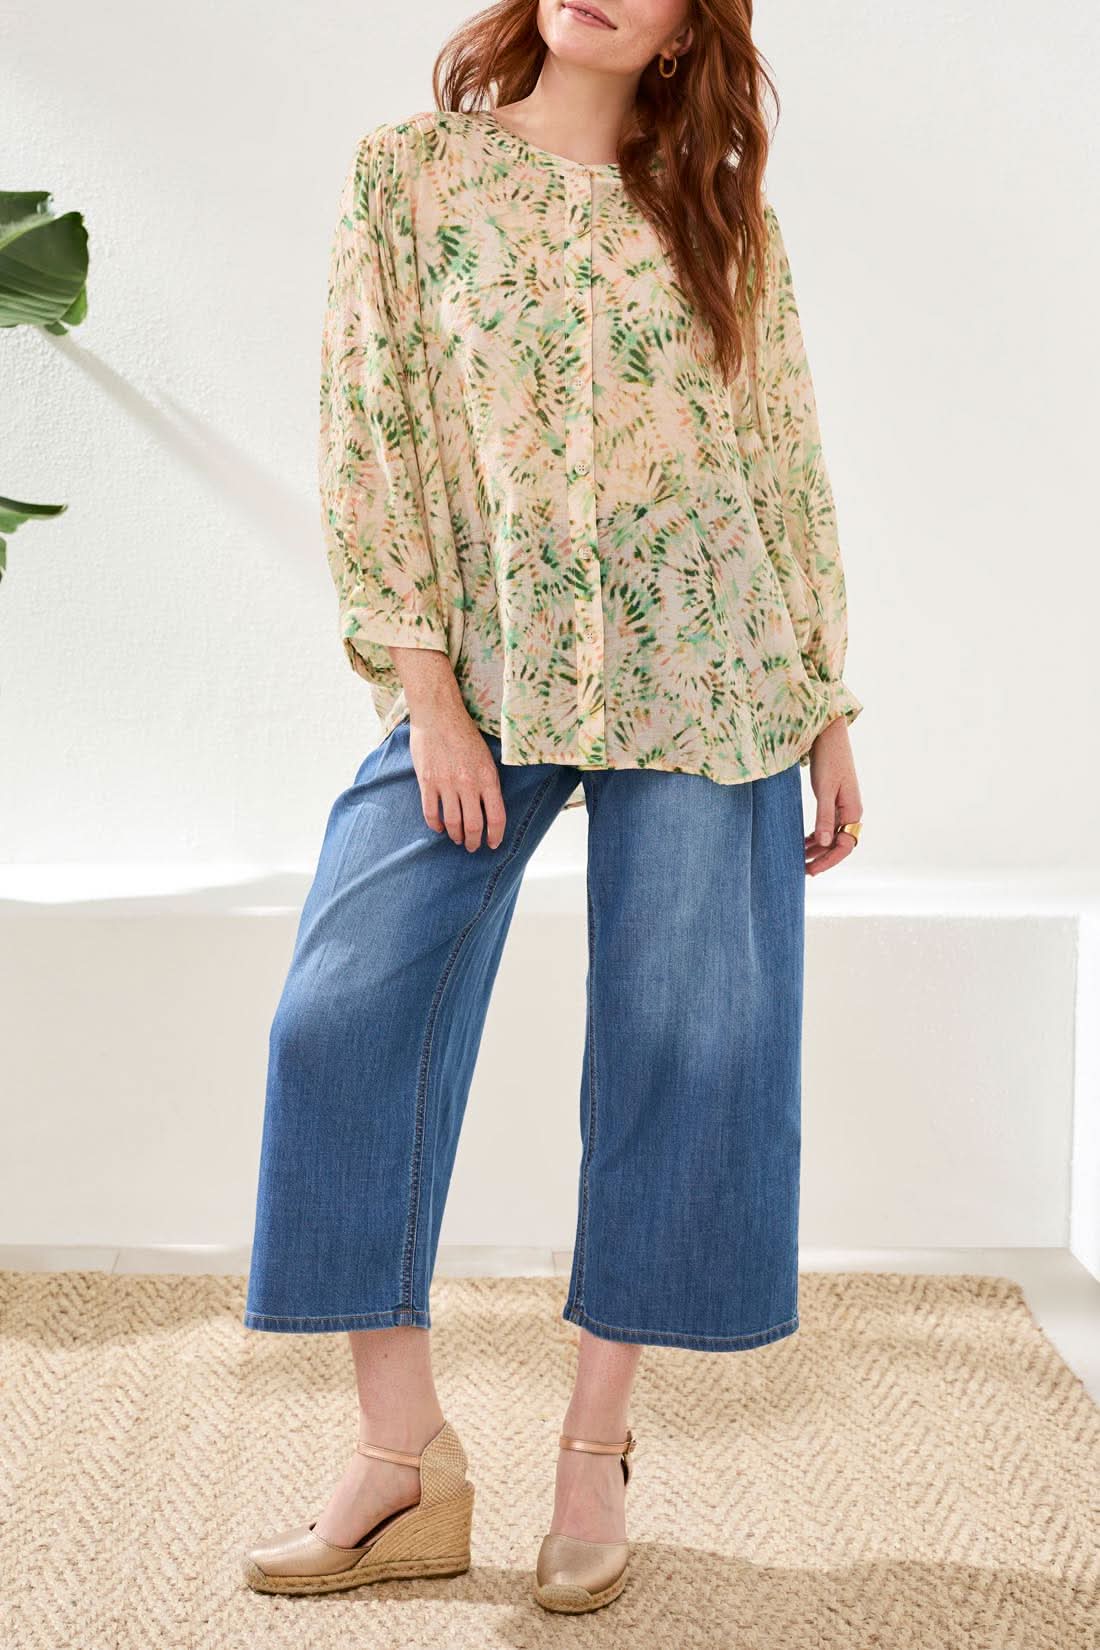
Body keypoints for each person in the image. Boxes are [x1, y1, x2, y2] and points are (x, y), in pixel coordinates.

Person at [241, 0, 865, 1616]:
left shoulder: (720, 213)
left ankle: (596, 1450)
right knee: (338, 1014)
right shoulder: (411, 179)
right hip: (492, 676)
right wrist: (427, 693)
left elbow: (780, 458)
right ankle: (401, 1459)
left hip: (711, 675)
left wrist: (826, 703)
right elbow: (369, 432)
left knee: (686, 1045)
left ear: (681, 34)